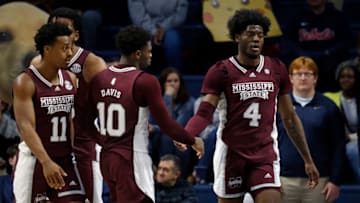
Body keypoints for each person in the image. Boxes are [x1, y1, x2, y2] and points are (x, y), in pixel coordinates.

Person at [181, 9, 319, 203]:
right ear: (237, 36)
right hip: (232, 154)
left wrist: (308, 159)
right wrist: (187, 133)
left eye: (260, 35)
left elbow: (289, 117)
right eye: (250, 34)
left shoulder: (276, 68)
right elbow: (205, 112)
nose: (256, 39)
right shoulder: (222, 70)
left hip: (264, 154)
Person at [88, 25, 204, 203]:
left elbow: (84, 120)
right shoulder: (145, 81)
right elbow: (166, 124)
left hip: (107, 157)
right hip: (131, 157)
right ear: (137, 53)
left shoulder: (100, 78)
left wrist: (102, 140)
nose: (151, 55)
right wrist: (193, 140)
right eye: (148, 51)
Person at [31, 7, 107, 203]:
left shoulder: (91, 63)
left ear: (76, 35)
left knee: (91, 199)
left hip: (81, 142)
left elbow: (109, 102)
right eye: (54, 28)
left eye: (64, 29)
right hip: (47, 143)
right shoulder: (38, 63)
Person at [12, 22, 85, 202]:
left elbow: (71, 120)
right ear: (47, 49)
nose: (70, 53)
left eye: (71, 48)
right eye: (64, 48)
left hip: (65, 159)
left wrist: (74, 153)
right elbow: (25, 125)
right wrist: (45, 161)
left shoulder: (71, 79)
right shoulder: (25, 81)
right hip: (35, 160)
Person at [277, 56, 346, 203]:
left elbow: (338, 146)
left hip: (319, 181)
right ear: (290, 78)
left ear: (315, 78)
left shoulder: (329, 107)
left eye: (308, 74)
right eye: (298, 74)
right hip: (283, 180)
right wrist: (270, 176)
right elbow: (267, 142)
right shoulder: (279, 106)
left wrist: (335, 181)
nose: (303, 78)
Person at [282, 0, 353, 92]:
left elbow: (347, 41)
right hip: (303, 60)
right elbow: (287, 41)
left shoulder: (337, 16)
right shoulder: (297, 16)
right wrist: (301, 53)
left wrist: (329, 52)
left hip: (330, 63)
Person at [149, 67, 196, 180]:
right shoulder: (155, 101)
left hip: (181, 141)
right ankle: (159, 171)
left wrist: (168, 97)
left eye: (176, 81)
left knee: (170, 135)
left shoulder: (189, 102)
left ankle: (180, 176)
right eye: (169, 81)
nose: (173, 84)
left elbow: (175, 127)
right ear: (163, 83)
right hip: (158, 143)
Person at [324, 61, 360, 184]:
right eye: (342, 76)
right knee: (352, 149)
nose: (346, 80)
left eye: (350, 77)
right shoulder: (329, 98)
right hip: (339, 141)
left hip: (355, 140)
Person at [128, 0, 188, 73]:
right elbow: (138, 15)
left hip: (171, 26)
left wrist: (163, 27)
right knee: (137, 40)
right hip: (144, 27)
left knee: (173, 42)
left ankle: (174, 77)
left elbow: (180, 13)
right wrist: (154, 31)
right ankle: (138, 77)